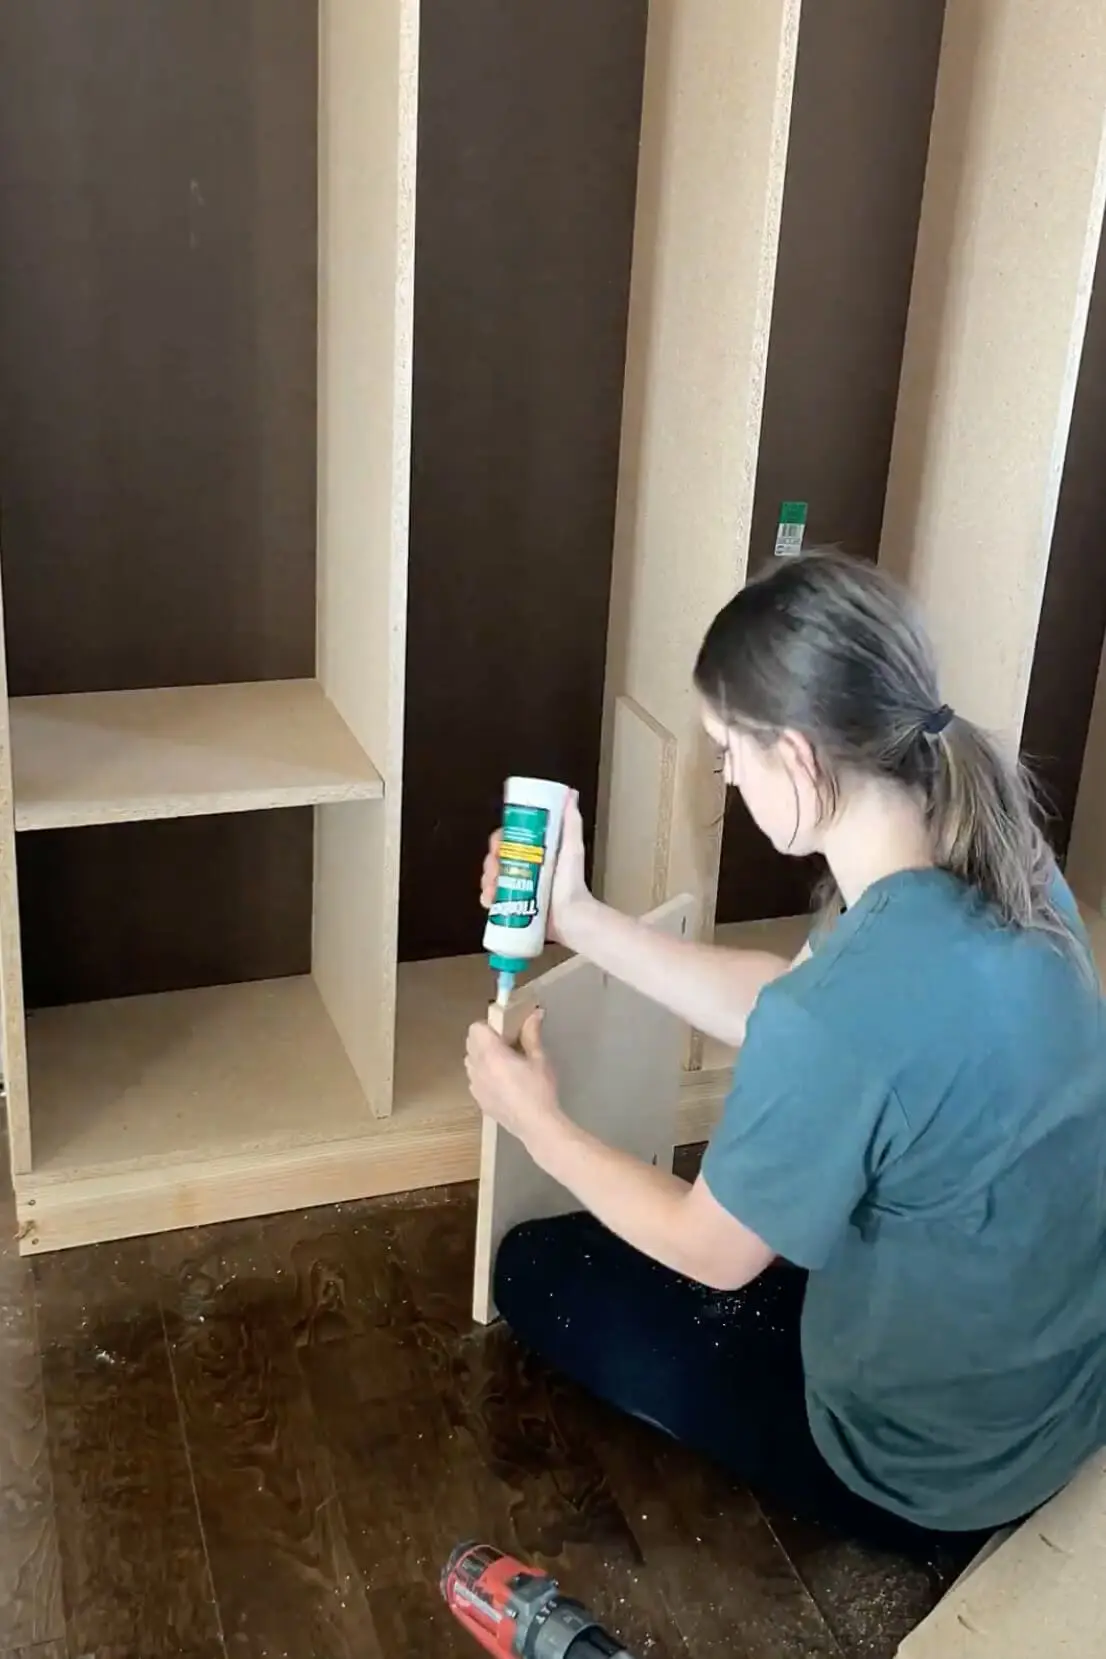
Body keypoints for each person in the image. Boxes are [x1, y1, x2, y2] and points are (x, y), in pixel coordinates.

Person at [463, 549, 1106, 1567]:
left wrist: (536, 1120)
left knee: (535, 1272)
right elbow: (788, 1005)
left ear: (798, 759)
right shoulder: (996, 854)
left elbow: (712, 1250)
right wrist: (576, 919)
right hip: (1058, 1384)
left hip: (937, 1470)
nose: (722, 773)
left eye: (727, 748)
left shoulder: (843, 1016)